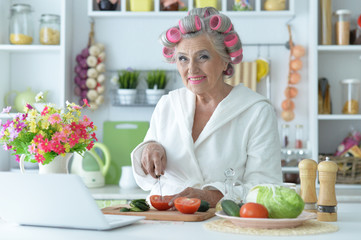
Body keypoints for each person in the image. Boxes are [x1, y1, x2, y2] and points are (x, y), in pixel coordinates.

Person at [131, 7, 282, 207]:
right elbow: (145, 180)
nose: (191, 69)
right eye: (183, 58)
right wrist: (149, 149)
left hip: (224, 226)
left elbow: (266, 188)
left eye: (203, 57)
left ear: (225, 59)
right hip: (165, 222)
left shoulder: (256, 111)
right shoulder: (168, 104)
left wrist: (212, 197)